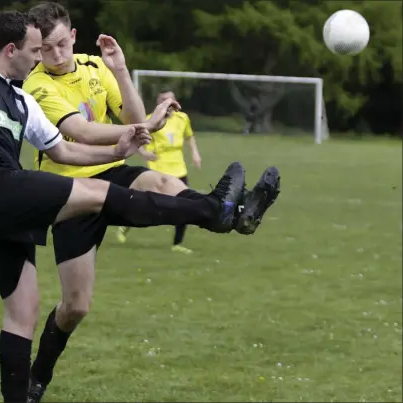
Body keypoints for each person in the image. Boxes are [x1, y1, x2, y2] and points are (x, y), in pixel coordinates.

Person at [0, 10, 252, 403]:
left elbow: (65, 149)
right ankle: (210, 211)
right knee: (100, 195)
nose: (39, 58)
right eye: (35, 50)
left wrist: (118, 148)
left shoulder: (20, 100)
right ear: (11, 49)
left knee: (24, 311)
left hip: (1, 210)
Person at [21, 3, 281, 402]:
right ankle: (37, 375)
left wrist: (120, 69)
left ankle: (223, 211)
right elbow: (82, 131)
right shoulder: (37, 85)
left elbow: (132, 114)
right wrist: (145, 127)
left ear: (73, 36)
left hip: (110, 170)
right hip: (69, 191)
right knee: (76, 307)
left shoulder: (94, 66)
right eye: (44, 50)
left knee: (160, 181)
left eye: (60, 45)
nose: (54, 57)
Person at [115, 89, 202, 254]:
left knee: (185, 206)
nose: (167, 104)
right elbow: (136, 140)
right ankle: (126, 225)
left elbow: (189, 136)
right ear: (158, 103)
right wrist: (144, 153)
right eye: (163, 100)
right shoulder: (149, 120)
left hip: (178, 168)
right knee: (150, 207)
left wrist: (195, 154)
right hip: (158, 168)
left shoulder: (182, 118)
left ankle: (177, 244)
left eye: (170, 100)